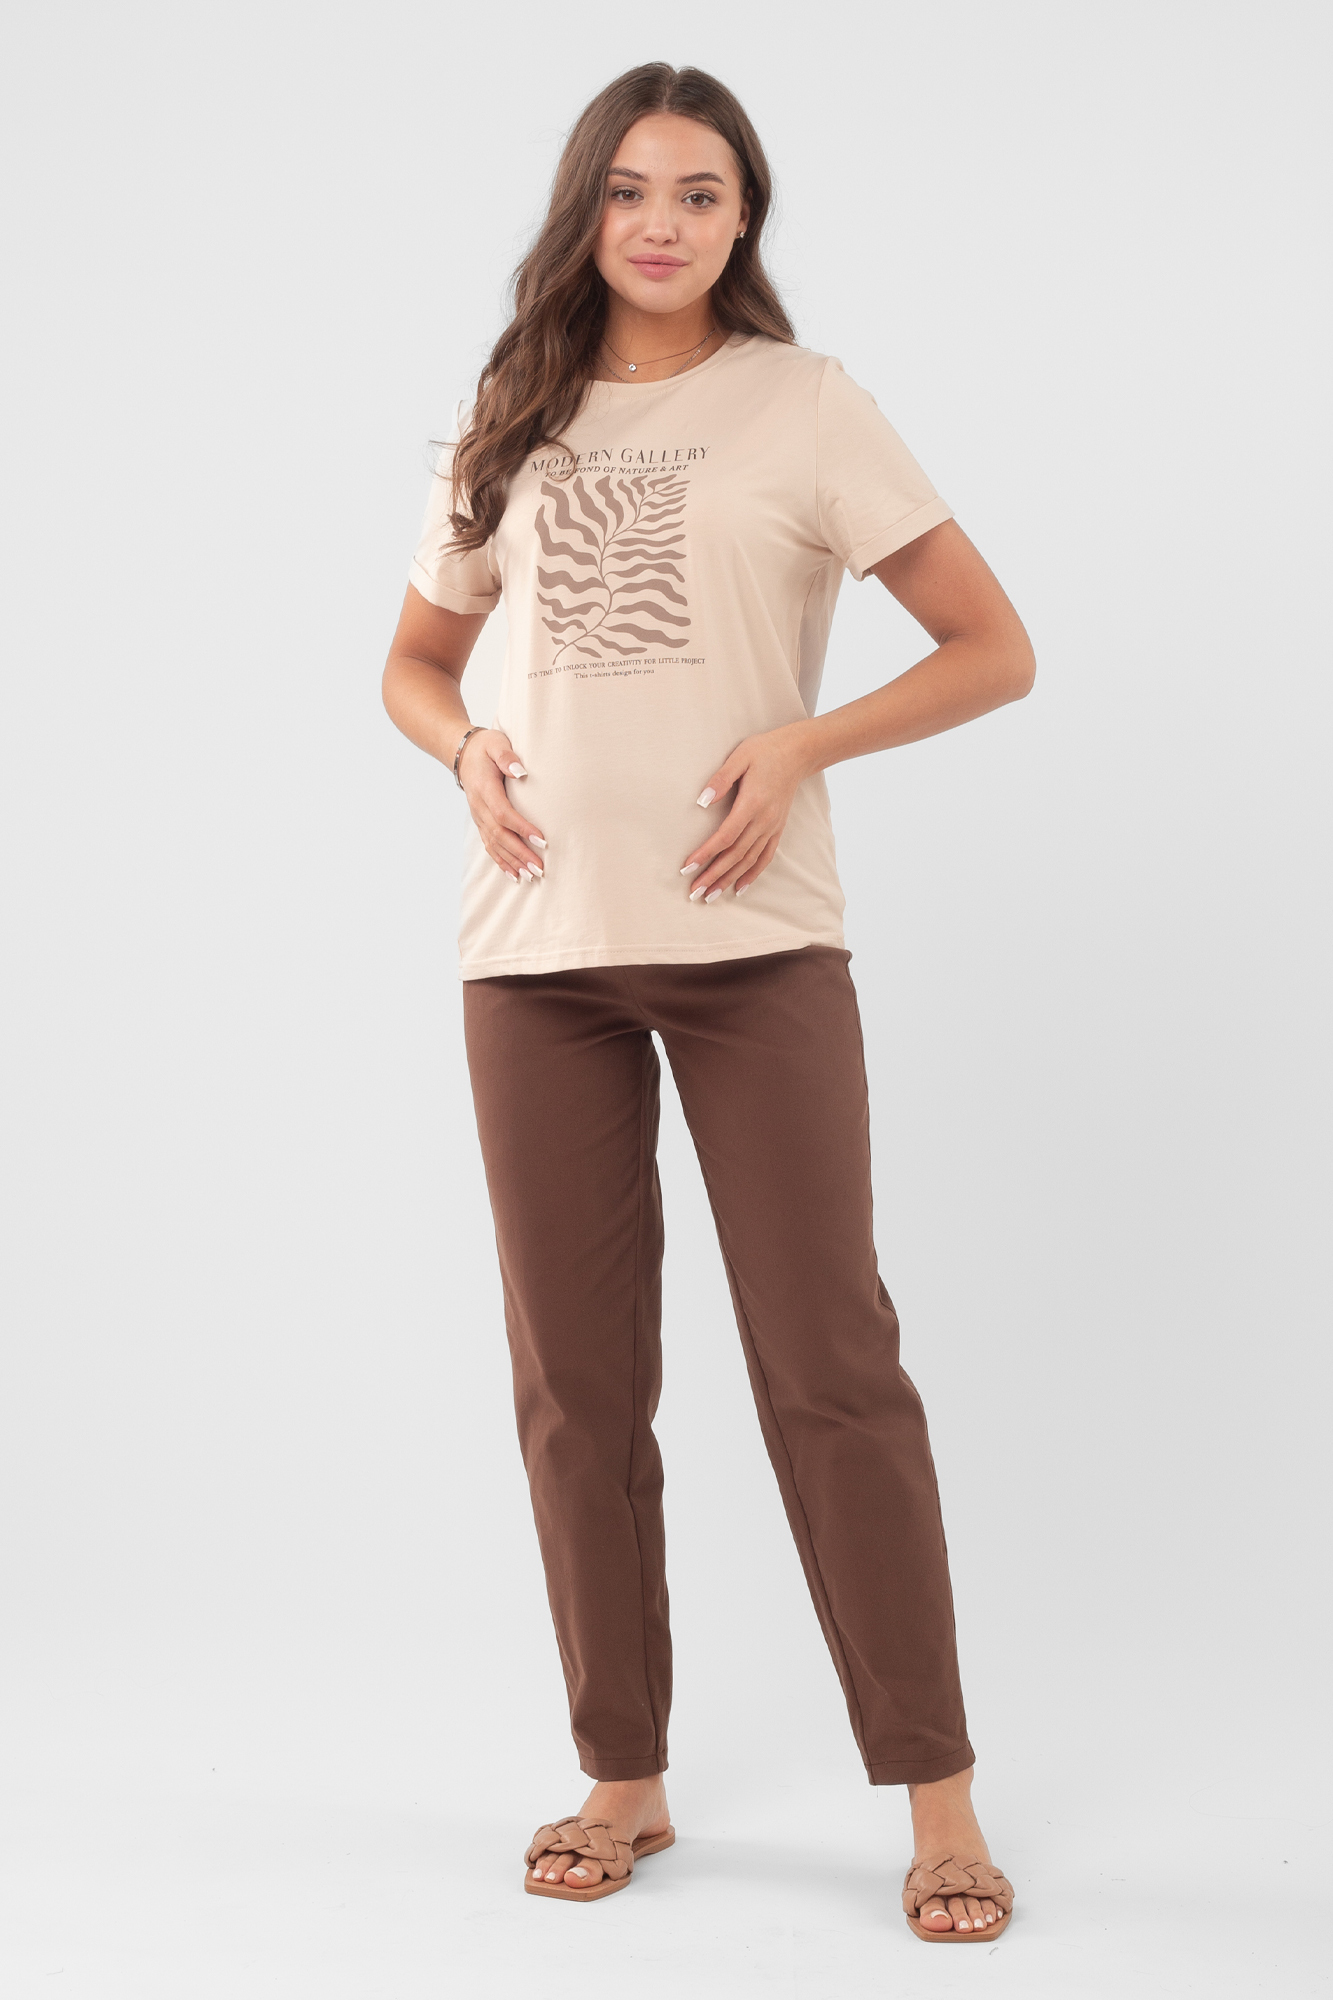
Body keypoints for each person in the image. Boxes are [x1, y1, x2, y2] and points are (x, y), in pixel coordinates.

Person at [382, 62, 1033, 1942]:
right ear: (582, 207)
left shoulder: (803, 405)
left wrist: (801, 742)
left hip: (756, 953)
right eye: (629, 190)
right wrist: (463, 749)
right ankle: (623, 1774)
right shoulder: (508, 413)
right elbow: (415, 662)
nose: (660, 224)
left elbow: (991, 647)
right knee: (575, 1389)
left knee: (831, 1366)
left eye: (701, 195)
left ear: (743, 221)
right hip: (535, 957)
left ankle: (937, 1799)